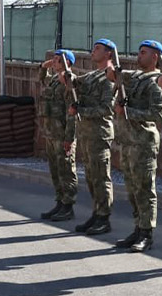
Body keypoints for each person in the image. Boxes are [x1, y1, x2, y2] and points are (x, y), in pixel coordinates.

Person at [112, 40, 162, 252]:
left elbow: (157, 114)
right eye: (139, 51)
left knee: (144, 189)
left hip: (143, 141)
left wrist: (127, 113)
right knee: (132, 189)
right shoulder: (134, 78)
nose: (138, 56)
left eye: (144, 53)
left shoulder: (157, 81)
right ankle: (137, 227)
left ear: (155, 57)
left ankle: (147, 233)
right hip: (128, 141)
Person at [69, 39, 118, 235]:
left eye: (98, 49)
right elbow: (73, 83)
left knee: (100, 177)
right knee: (91, 177)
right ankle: (96, 213)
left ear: (108, 54)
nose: (93, 51)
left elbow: (106, 109)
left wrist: (82, 109)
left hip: (99, 134)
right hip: (87, 133)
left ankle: (104, 217)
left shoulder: (109, 77)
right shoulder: (92, 76)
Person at [37, 50, 78, 221]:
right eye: (53, 59)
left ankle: (68, 206)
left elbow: (72, 112)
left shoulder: (69, 81)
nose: (54, 62)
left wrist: (69, 138)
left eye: (58, 60)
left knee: (66, 171)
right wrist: (43, 66)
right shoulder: (54, 80)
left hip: (62, 135)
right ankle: (60, 202)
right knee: (55, 171)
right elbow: (42, 78)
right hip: (52, 134)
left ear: (67, 62)